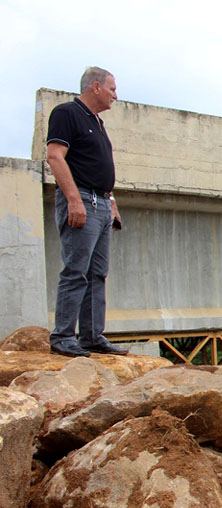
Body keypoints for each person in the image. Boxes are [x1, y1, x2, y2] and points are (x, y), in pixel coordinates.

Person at [46, 66, 128, 357]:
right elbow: (55, 156)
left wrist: (112, 201)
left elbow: (98, 165)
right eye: (112, 89)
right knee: (76, 271)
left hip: (102, 203)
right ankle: (63, 336)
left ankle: (92, 336)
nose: (115, 96)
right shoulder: (67, 113)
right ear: (95, 87)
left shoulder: (97, 122)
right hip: (82, 200)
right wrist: (73, 200)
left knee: (97, 273)